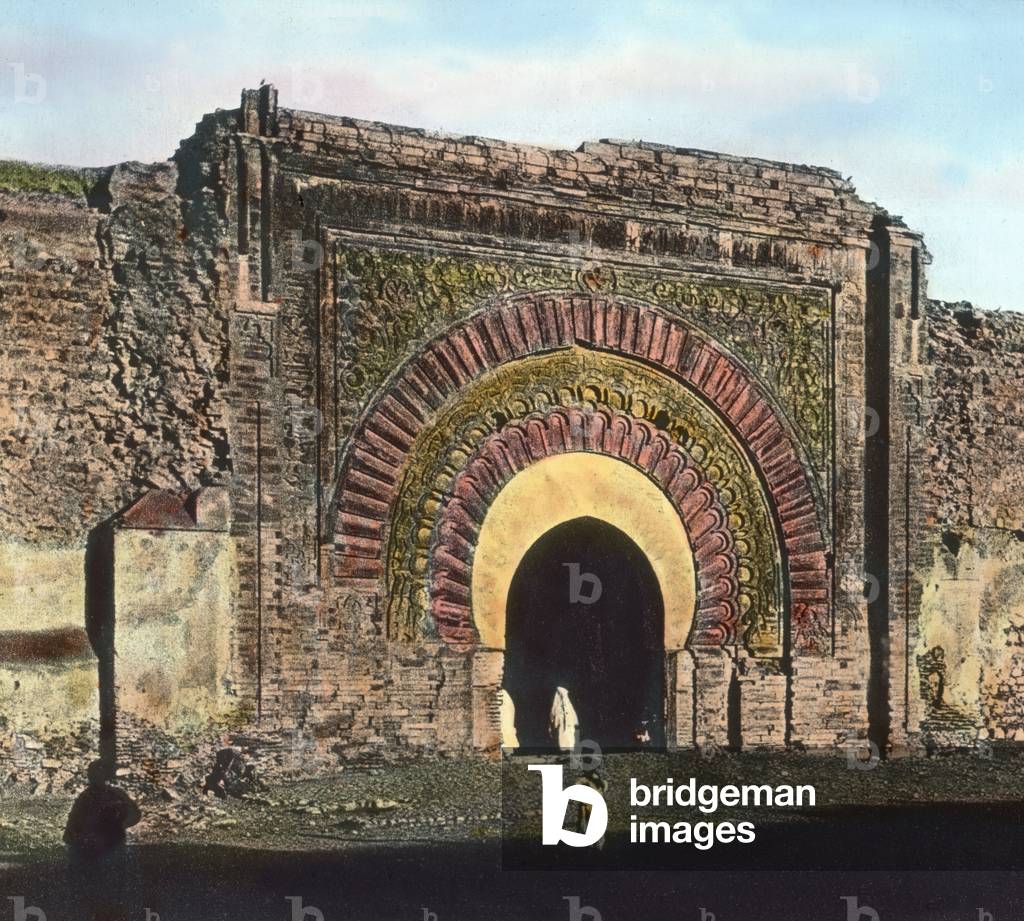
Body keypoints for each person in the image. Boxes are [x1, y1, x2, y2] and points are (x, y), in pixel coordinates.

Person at [64, 759, 142, 920]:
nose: (94, 777)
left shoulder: (115, 795)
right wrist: (74, 839)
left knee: (113, 888)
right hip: (92, 850)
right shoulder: (85, 797)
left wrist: (119, 825)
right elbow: (74, 823)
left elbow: (134, 814)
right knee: (94, 890)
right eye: (92, 774)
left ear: (104, 776)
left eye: (97, 774)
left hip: (112, 847)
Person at [549, 686, 580, 752]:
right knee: (562, 737)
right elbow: (553, 714)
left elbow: (572, 716)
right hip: (561, 724)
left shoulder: (568, 705)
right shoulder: (557, 706)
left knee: (569, 737)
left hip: (568, 724)